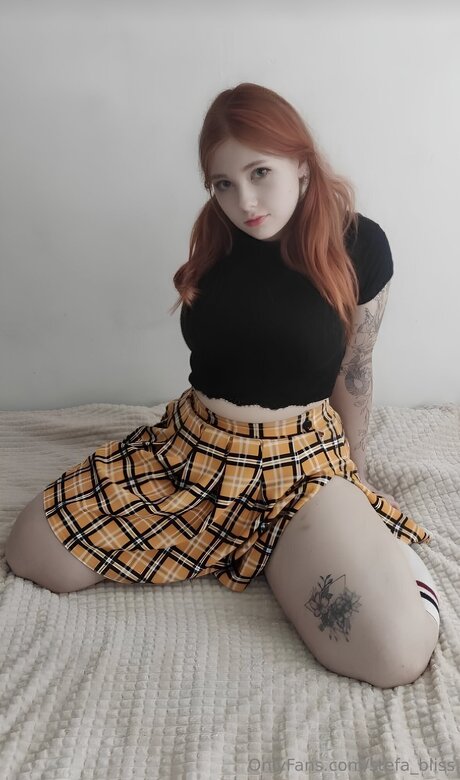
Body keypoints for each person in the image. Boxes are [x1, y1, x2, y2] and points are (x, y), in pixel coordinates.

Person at [5, 82, 440, 688]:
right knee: (31, 551)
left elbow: (356, 369)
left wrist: (356, 478)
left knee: (395, 655)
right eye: (223, 184)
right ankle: (258, 549)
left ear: (301, 164)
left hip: (301, 467)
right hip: (193, 454)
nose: (245, 201)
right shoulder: (217, 233)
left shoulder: (359, 244)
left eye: (260, 173)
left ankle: (377, 563)